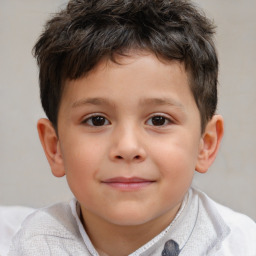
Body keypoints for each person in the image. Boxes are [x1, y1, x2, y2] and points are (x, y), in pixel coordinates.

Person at [9, 0, 256, 255]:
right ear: (55, 147)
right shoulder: (33, 245)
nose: (127, 147)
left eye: (159, 120)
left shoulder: (241, 246)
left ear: (206, 143)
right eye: (97, 120)